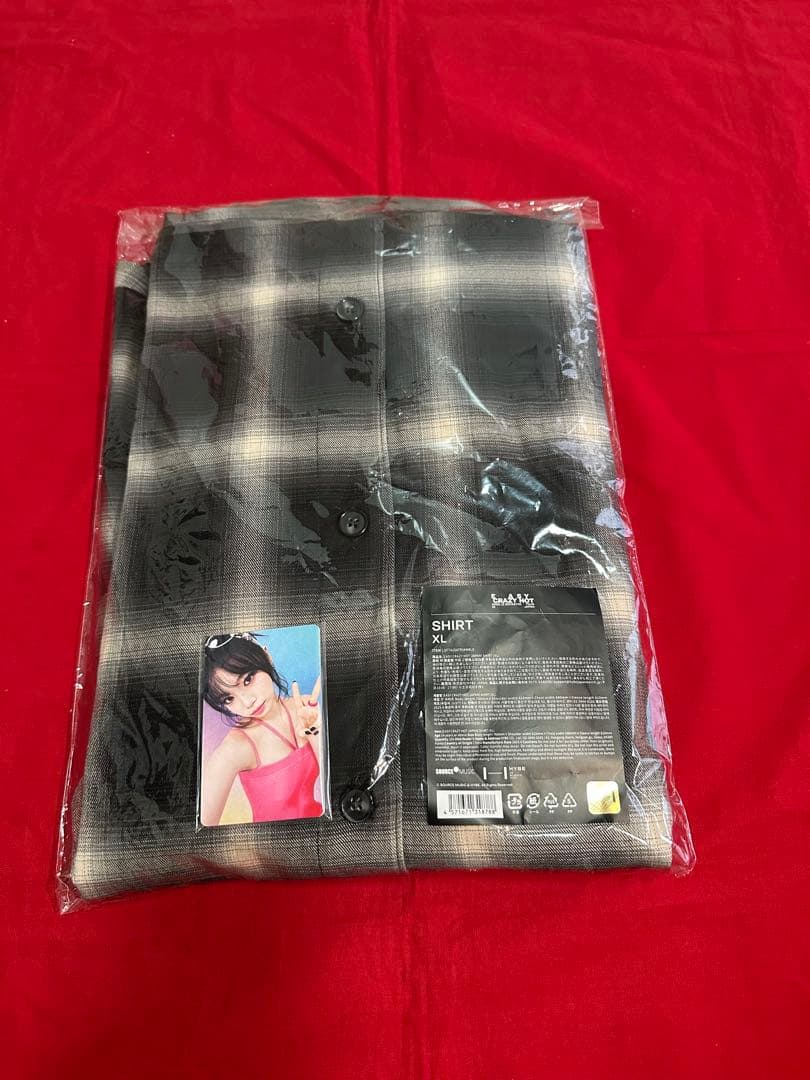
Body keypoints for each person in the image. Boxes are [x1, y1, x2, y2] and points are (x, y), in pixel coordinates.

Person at [200, 633, 323, 826]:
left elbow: (332, 785)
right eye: (228, 699)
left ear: (266, 657)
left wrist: (314, 731)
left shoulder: (304, 707)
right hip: (274, 842)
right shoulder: (235, 748)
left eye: (248, 680)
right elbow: (201, 828)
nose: (247, 701)